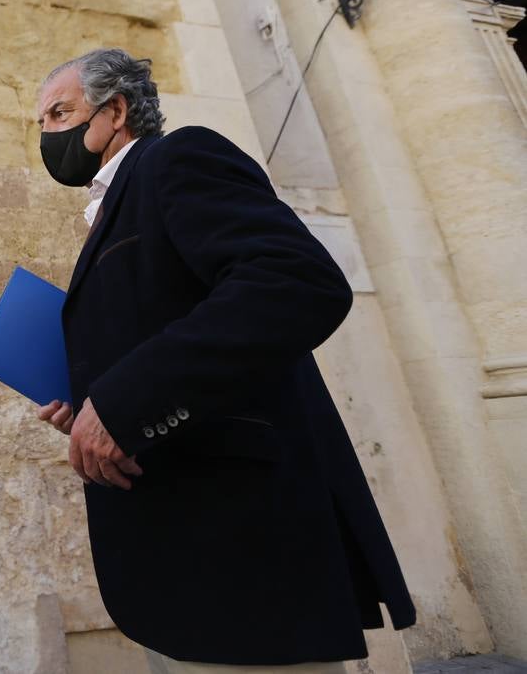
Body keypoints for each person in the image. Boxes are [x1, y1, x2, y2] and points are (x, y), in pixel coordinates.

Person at [32, 49, 415, 672]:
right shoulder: (117, 203)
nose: (48, 134)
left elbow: (295, 281)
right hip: (173, 546)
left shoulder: (177, 158)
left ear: (116, 110)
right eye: (42, 121)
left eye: (60, 112)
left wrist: (125, 402)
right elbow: (170, 333)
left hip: (238, 545)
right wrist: (93, 405)